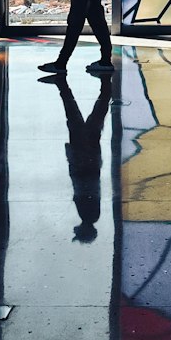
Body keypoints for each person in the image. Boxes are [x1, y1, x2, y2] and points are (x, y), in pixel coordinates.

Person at [55, 74, 112, 243]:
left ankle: (106, 91)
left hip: (88, 159)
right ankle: (65, 89)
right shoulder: (89, 214)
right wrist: (72, 159)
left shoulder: (92, 215)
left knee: (91, 121)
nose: (75, 229)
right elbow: (81, 186)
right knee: (76, 120)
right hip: (83, 158)